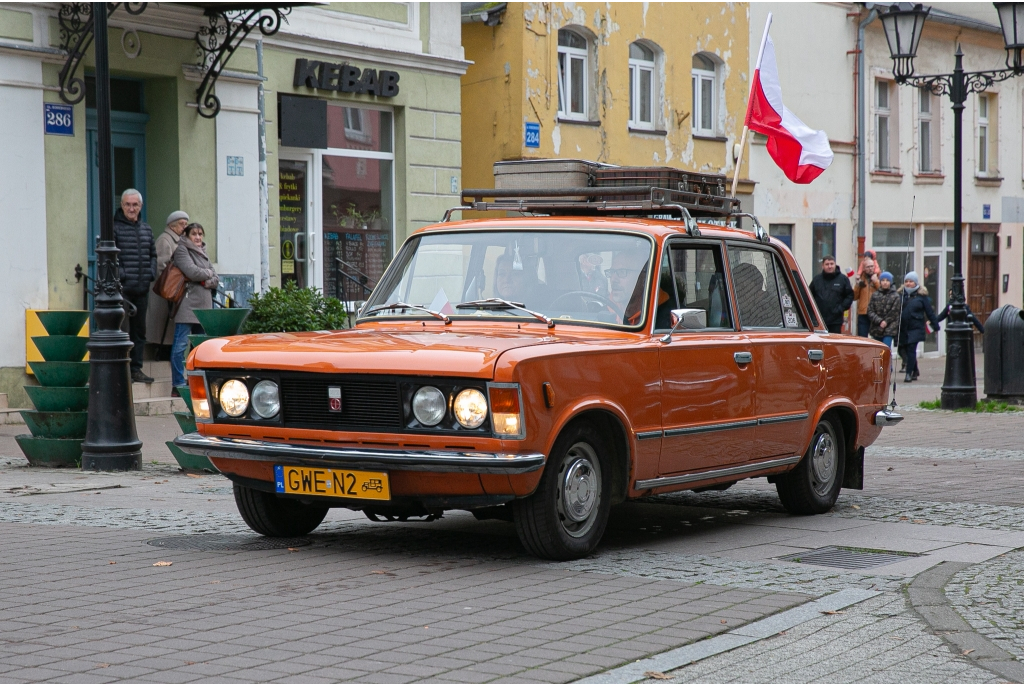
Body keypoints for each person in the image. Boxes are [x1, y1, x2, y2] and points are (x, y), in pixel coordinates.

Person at [113, 188, 156, 383]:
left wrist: (150, 274)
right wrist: (122, 276)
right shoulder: (114, 228)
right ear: (122, 206)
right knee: (123, 332)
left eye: (135, 205)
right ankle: (122, 370)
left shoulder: (146, 229)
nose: (131, 208)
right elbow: (111, 257)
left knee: (140, 332)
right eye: (128, 204)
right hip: (123, 290)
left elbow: (153, 255)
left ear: (141, 206)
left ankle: (136, 369)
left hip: (142, 288)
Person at [170, 223, 219, 392]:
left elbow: (215, 278)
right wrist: (208, 275)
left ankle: (195, 381)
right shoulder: (182, 250)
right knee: (180, 346)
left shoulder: (203, 251)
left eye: (200, 234)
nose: (198, 237)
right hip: (187, 303)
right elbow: (192, 272)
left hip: (204, 306)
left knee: (200, 347)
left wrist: (207, 278)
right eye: (194, 234)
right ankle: (177, 383)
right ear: (187, 235)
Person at [148, 210, 189, 349]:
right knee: (162, 326)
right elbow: (161, 266)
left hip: (173, 290)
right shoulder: (165, 240)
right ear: (172, 226)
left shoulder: (179, 240)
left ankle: (164, 349)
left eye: (186, 224)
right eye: (182, 224)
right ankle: (160, 349)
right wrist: (171, 285)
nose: (185, 227)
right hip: (165, 290)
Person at [898, 271, 940, 383]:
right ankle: (915, 370)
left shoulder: (922, 297)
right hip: (903, 328)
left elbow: (929, 312)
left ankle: (908, 373)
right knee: (903, 350)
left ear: (915, 283)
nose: (908, 283)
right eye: (906, 281)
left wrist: (935, 326)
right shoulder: (900, 295)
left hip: (916, 327)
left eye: (911, 281)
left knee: (911, 349)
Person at [809, 255, 854, 334]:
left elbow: (849, 295)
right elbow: (809, 296)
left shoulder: (843, 279)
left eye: (831, 264)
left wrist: (840, 308)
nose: (829, 266)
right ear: (823, 266)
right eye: (827, 264)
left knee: (834, 343)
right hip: (819, 320)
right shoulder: (817, 280)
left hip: (835, 321)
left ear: (835, 264)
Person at [607, 247, 649, 325]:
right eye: (612, 272)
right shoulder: (605, 309)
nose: (613, 279)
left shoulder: (659, 314)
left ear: (642, 277)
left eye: (622, 272)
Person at [867, 271, 900, 348]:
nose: (885, 282)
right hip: (876, 327)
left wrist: (885, 322)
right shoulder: (875, 295)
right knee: (876, 351)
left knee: (885, 349)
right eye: (883, 280)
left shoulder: (895, 296)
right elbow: (870, 310)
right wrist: (879, 321)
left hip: (889, 327)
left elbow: (894, 312)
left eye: (887, 280)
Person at [852, 257, 880, 337]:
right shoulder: (861, 279)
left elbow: (883, 293)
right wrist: (857, 285)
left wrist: (876, 282)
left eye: (872, 266)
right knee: (863, 337)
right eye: (868, 267)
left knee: (876, 338)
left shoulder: (879, 277)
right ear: (864, 269)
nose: (870, 268)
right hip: (863, 312)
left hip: (876, 312)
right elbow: (854, 297)